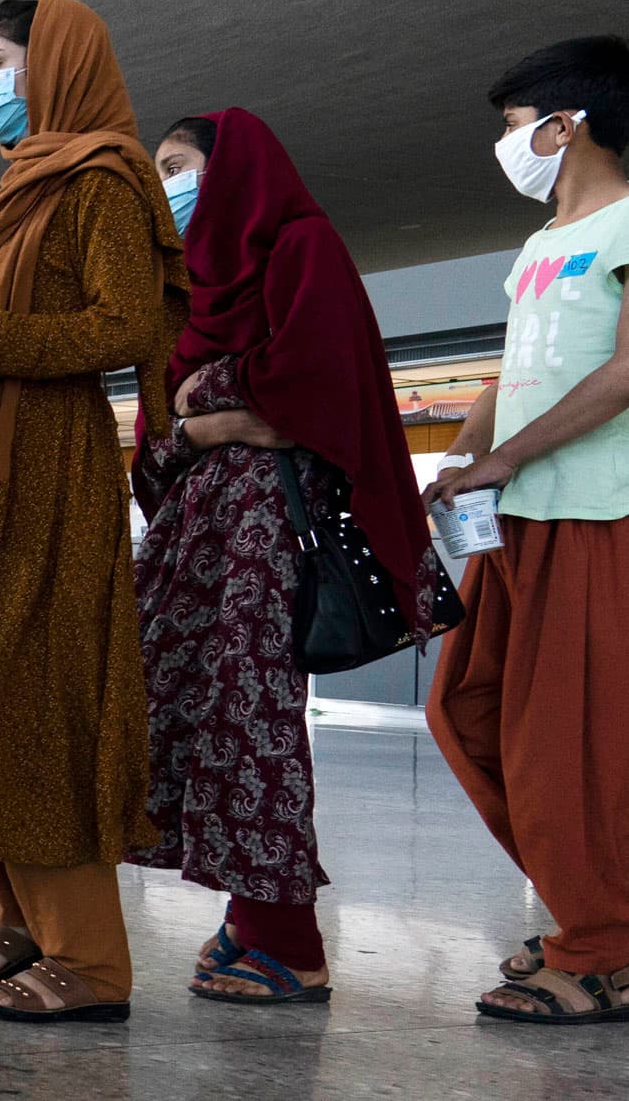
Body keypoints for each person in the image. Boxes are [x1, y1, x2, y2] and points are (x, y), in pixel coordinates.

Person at [0, 0, 185, 1024]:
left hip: (50, 472)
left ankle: (91, 960)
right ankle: (20, 919)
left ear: (50, 63)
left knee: (31, 700)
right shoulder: (24, 183)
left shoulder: (102, 179)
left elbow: (124, 322)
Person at [128, 109, 446, 1004]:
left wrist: (208, 404)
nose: (166, 186)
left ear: (234, 172)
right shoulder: (187, 286)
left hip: (269, 537)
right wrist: (207, 416)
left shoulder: (302, 248)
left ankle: (289, 941)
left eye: (179, 165)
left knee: (251, 718)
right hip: (195, 538)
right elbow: (160, 427)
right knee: (178, 711)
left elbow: (310, 389)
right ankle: (245, 916)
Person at [423, 34, 629, 1024]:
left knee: (568, 749)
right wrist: (468, 453)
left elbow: (628, 369)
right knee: (464, 707)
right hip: (515, 517)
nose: (508, 146)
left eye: (515, 126)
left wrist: (510, 452)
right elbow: (506, 379)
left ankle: (599, 949)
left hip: (600, 510)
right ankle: (595, 913)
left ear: (568, 122)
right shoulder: (540, 246)